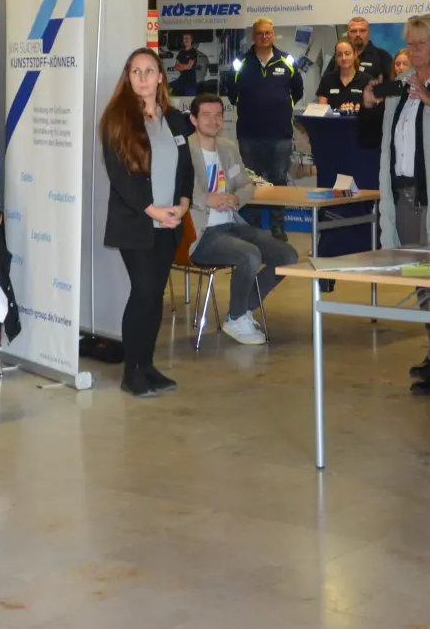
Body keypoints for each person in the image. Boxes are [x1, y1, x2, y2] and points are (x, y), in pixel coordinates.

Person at [358, 13, 430, 396]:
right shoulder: (401, 86)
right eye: (409, 44)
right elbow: (368, 139)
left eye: (421, 43)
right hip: (405, 197)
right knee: (423, 284)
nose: (413, 50)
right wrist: (368, 105)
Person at [101, 47, 193, 398]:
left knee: (155, 297)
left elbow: (185, 169)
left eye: (149, 70)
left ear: (160, 77)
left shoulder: (175, 120)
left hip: (170, 223)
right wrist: (154, 211)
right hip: (137, 223)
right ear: (128, 77)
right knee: (142, 293)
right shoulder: (117, 119)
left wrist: (183, 205)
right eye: (135, 71)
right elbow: (121, 177)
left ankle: (148, 365)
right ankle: (131, 372)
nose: (142, 77)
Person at [185, 92, 298, 346]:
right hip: (201, 234)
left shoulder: (228, 148)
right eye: (206, 115)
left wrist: (236, 198)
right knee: (249, 254)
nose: (214, 121)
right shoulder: (184, 150)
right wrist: (208, 199)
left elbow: (247, 186)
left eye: (218, 115)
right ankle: (237, 317)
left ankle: (241, 310)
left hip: (232, 224)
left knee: (287, 257)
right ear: (193, 119)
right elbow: (174, 189)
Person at [226, 17, 301, 240]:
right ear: (253, 36)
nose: (264, 37)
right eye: (260, 33)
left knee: (279, 179)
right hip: (249, 134)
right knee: (251, 182)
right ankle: (254, 228)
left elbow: (296, 92)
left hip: (280, 135)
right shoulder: (241, 62)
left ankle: (278, 227)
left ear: (273, 34)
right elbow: (232, 93)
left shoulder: (287, 60)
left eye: (268, 33)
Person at [316, 40, 369, 110]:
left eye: (347, 54)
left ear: (355, 55)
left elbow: (370, 110)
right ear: (336, 58)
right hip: (332, 120)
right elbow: (322, 110)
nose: (344, 58)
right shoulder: (327, 79)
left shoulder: (367, 80)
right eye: (339, 55)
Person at [346, 16, 393, 85]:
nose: (358, 34)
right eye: (353, 31)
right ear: (348, 34)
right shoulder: (341, 56)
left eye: (362, 31)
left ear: (369, 33)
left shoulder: (383, 56)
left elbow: (393, 85)